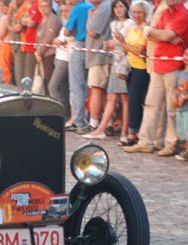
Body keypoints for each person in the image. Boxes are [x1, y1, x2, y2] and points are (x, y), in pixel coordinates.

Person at [124, 0, 188, 156]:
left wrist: (156, 33)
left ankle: (171, 143)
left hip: (173, 65)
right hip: (159, 62)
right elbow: (153, 34)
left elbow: (165, 34)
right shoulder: (164, 13)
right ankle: (145, 142)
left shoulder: (184, 14)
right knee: (151, 104)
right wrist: (157, 33)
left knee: (171, 107)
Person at [82, 0, 131, 140]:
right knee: (110, 96)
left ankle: (121, 132)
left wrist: (90, 17)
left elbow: (92, 31)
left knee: (122, 97)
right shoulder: (113, 23)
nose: (118, 9)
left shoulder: (129, 23)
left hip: (123, 62)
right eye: (116, 7)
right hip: (115, 61)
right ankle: (102, 128)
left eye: (121, 6)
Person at [117, 0, 151, 147]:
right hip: (130, 66)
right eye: (135, 12)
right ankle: (134, 130)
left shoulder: (146, 29)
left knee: (135, 100)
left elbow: (140, 51)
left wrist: (125, 44)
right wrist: (123, 42)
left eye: (140, 12)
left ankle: (133, 132)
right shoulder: (132, 29)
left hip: (141, 68)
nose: (137, 15)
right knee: (132, 99)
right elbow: (126, 50)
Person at [63, 0, 92, 131]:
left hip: (80, 45)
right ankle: (91, 117)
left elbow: (66, 32)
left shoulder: (77, 8)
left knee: (77, 85)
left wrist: (75, 31)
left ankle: (79, 120)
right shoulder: (92, 6)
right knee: (89, 85)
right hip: (94, 46)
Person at [33, 0, 60, 94]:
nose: (43, 8)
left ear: (51, 6)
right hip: (42, 55)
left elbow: (48, 38)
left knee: (49, 80)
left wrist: (39, 52)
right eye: (41, 6)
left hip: (49, 54)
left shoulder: (53, 19)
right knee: (43, 81)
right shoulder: (43, 19)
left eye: (46, 6)